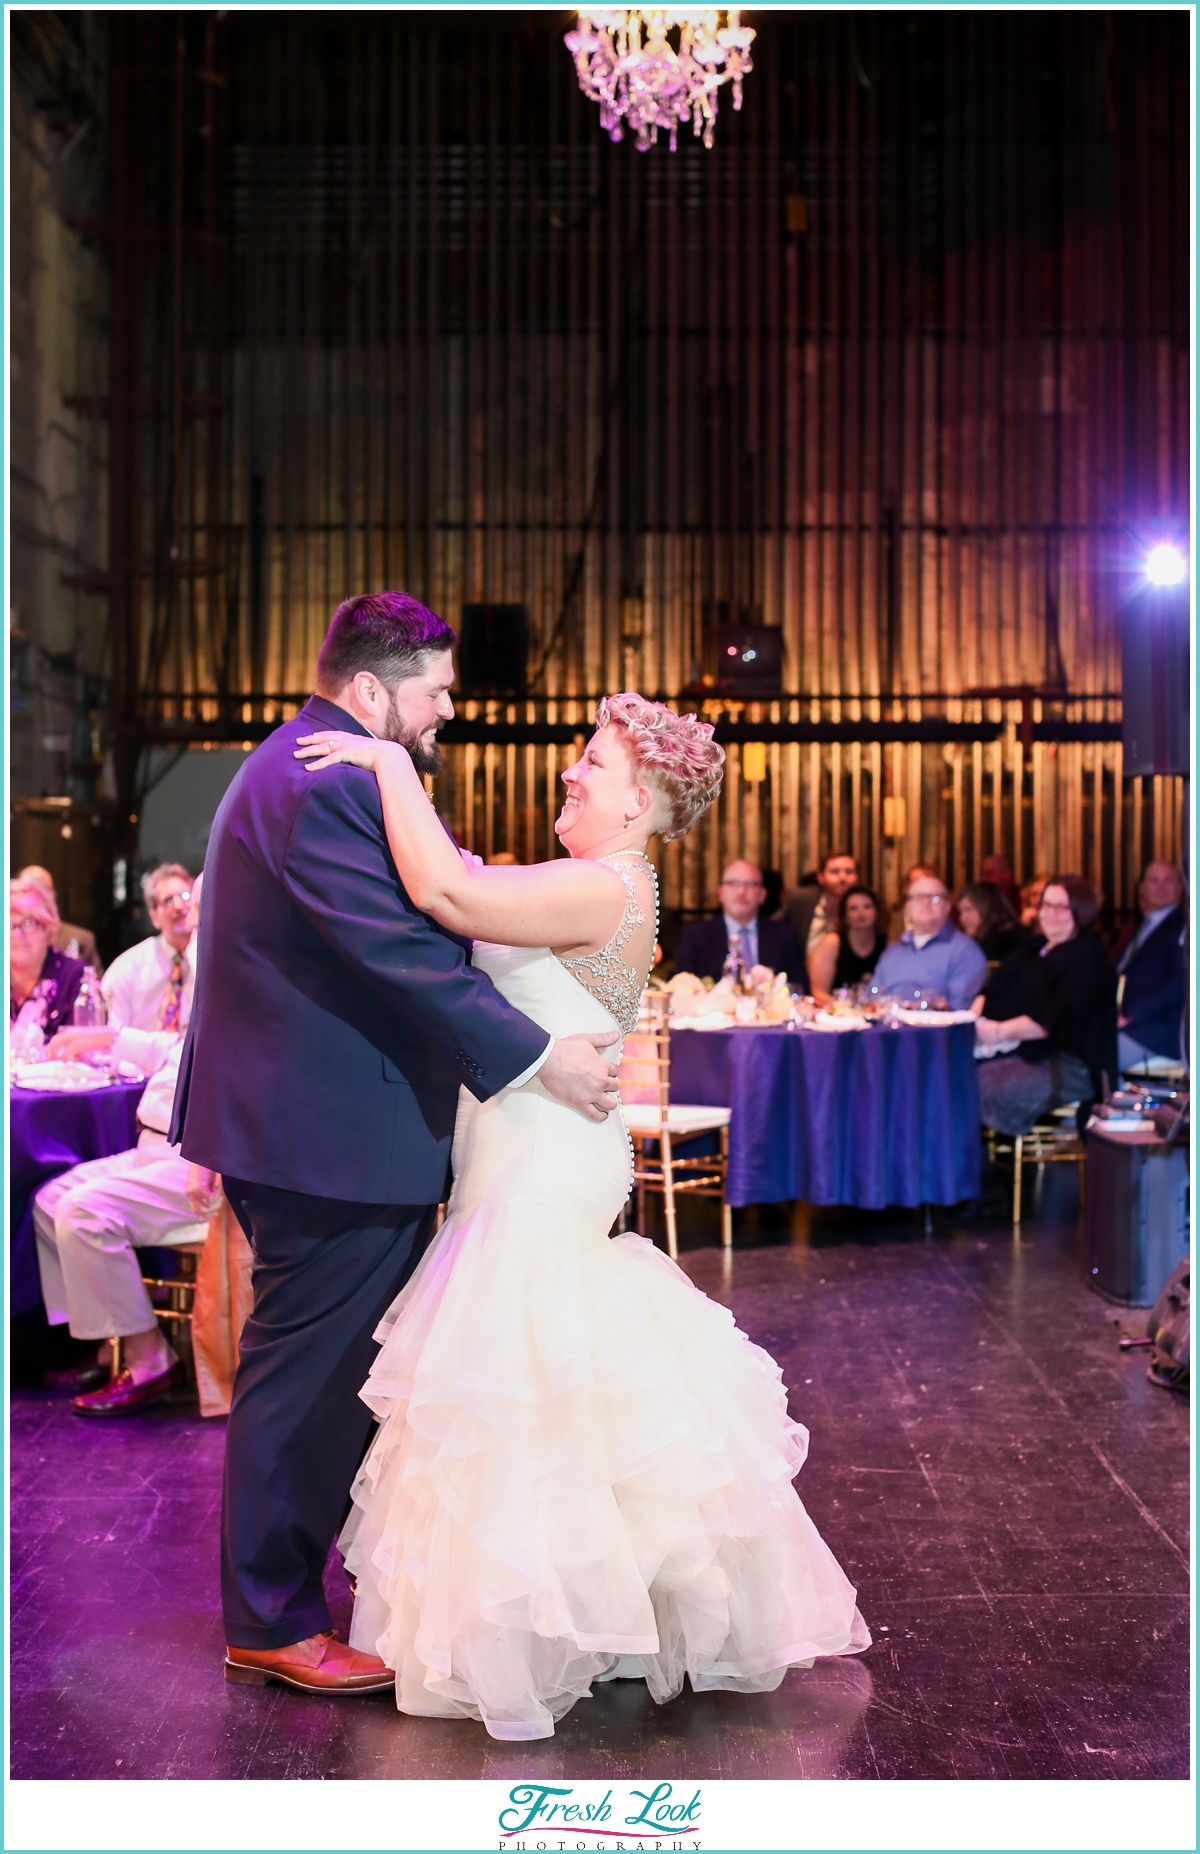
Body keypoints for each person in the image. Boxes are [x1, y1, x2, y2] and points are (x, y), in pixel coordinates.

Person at [293, 690, 869, 1741]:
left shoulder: (598, 887)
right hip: (533, 1145)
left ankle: (530, 1628)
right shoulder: (603, 882)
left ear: (641, 799)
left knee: (518, 1381)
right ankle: (584, 1614)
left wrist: (385, 765)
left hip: (541, 1162)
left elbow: (448, 895)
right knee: (550, 1379)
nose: (570, 771)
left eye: (592, 763)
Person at [173, 590, 624, 1700]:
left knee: (329, 1368)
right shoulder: (327, 779)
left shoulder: (309, 768)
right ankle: (270, 1619)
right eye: (438, 692)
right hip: (324, 1134)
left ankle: (283, 1599)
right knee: (309, 1374)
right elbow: (395, 951)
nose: (451, 710)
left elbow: (421, 913)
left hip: (323, 1126)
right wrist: (534, 1055)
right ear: (371, 689)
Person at [33, 884, 207, 1413]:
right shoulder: (213, 955)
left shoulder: (242, 960)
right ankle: (110, 1345)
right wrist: (109, 1038)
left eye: (198, 899)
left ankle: (149, 1358)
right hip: (154, 1146)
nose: (187, 909)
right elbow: (180, 1046)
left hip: (194, 1157)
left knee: (82, 1212)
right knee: (47, 1201)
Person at [973, 875, 1118, 1134]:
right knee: (951, 1074)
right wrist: (973, 1020)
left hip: (1068, 1065)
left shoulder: (1088, 959)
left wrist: (994, 1032)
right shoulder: (1033, 948)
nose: (1051, 914)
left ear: (1080, 911)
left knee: (977, 1085)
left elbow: (1050, 1021)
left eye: (1061, 907)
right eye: (1045, 905)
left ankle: (986, 1168)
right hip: (1014, 1050)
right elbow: (991, 989)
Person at [869, 867, 988, 1010]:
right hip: (887, 1030)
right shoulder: (892, 954)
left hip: (937, 1031)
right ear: (907, 907)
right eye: (918, 897)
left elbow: (960, 1011)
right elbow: (871, 1002)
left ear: (948, 906)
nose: (926, 903)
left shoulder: (965, 951)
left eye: (935, 898)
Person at [675, 859, 805, 984]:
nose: (741, 891)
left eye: (750, 884)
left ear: (762, 895)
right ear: (720, 893)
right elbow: (684, 988)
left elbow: (799, 988)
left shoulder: (784, 935)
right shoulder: (697, 936)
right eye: (734, 883)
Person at [101, 863, 196, 1032]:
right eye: (168, 900)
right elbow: (112, 1036)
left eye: (185, 896)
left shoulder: (213, 963)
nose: (179, 906)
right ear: (154, 918)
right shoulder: (127, 969)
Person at [1114, 862, 1187, 1072]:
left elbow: (1181, 981)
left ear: (1181, 887)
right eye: (1154, 880)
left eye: (1169, 880)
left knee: (1097, 1055)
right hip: (1132, 1025)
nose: (1161, 886)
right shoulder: (1144, 924)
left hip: (1158, 1031)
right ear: (1143, 888)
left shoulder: (1184, 926)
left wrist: (1133, 1014)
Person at [10, 877, 86, 1049]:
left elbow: (83, 1054)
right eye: (8, 925)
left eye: (29, 923)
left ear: (47, 929)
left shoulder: (75, 978)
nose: (17, 934)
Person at [808, 886, 888, 1004]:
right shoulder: (832, 943)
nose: (861, 913)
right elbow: (818, 992)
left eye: (867, 907)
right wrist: (846, 1009)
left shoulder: (887, 944)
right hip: (837, 1016)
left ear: (876, 912)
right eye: (853, 908)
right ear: (844, 916)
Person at [16, 865, 102, 972]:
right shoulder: (9, 939)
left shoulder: (80, 939)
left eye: (43, 889)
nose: (37, 897)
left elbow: (94, 983)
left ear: (53, 895)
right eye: (29, 890)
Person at [782, 850, 859, 961]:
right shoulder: (801, 901)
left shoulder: (864, 907)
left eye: (849, 872)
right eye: (835, 872)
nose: (843, 878)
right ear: (820, 877)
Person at [955, 881, 1031, 964]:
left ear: (987, 908)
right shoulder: (1018, 934)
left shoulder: (996, 944)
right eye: (960, 912)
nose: (961, 918)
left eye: (968, 910)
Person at [979, 853, 1020, 918]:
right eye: (983, 874)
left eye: (989, 873)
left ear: (1006, 875)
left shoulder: (1020, 897)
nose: (984, 878)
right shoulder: (977, 898)